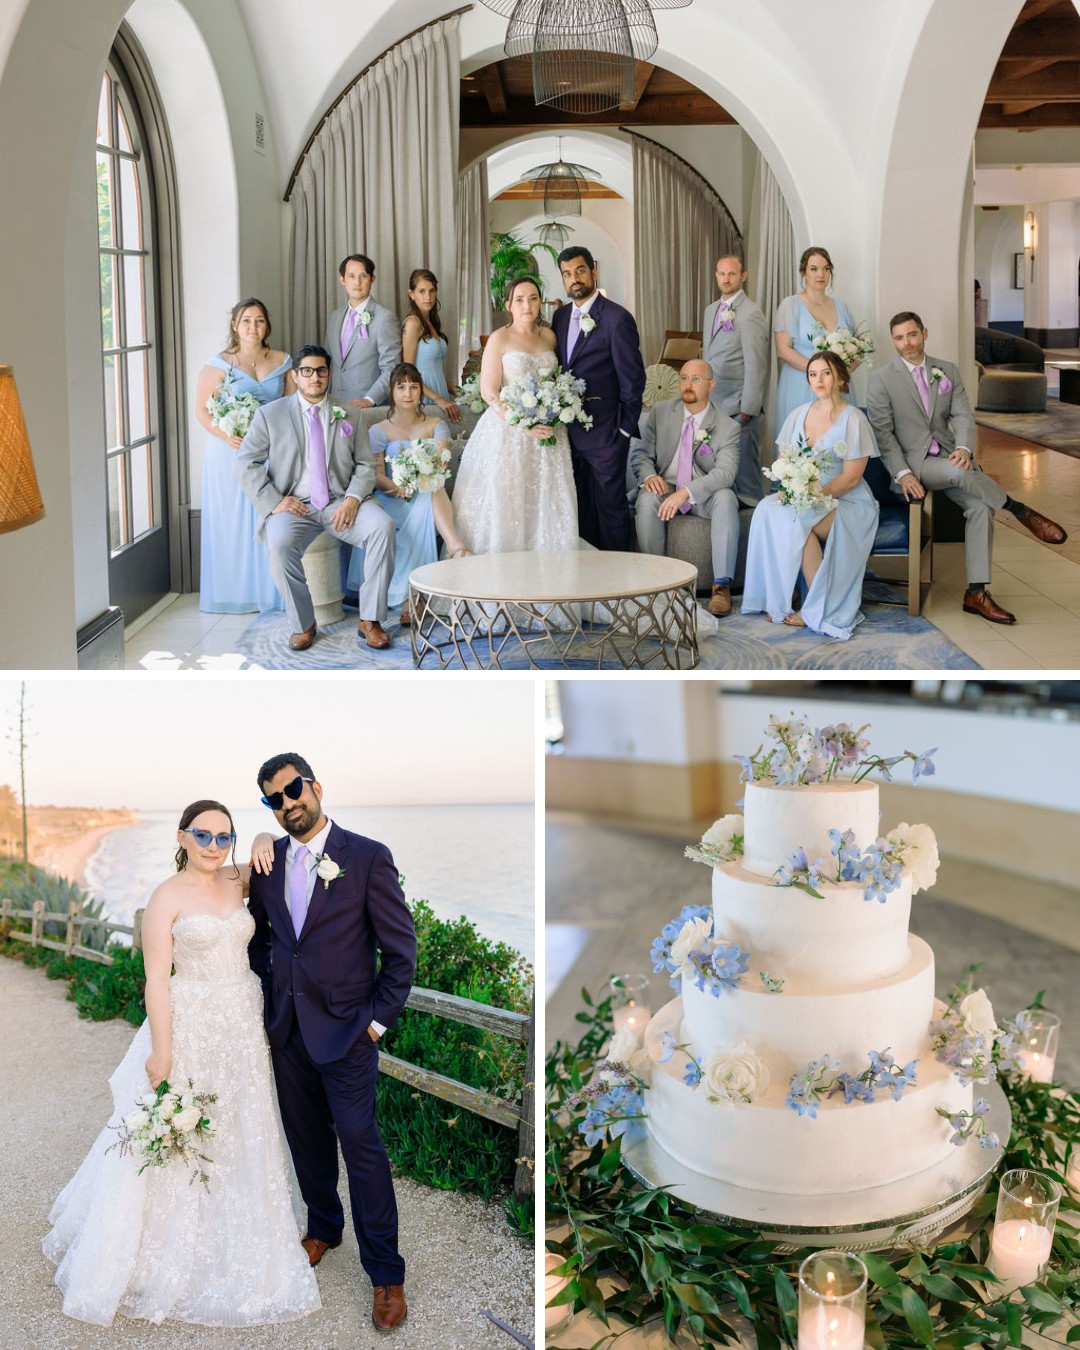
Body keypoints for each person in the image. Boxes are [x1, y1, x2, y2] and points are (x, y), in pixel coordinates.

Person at [43, 803, 319, 1328]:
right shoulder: (165, 897)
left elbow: (279, 848)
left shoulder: (237, 878)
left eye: (224, 836)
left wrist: (262, 834)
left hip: (241, 1022)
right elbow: (156, 981)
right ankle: (165, 1249)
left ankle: (240, 1231)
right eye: (204, 835)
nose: (214, 845)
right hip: (191, 1024)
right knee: (184, 1129)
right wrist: (161, 1052)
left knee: (242, 1126)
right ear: (182, 837)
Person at [247, 754, 417, 1334]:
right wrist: (270, 999)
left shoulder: (367, 857)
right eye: (274, 798)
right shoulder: (267, 865)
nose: (287, 802)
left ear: (316, 787)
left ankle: (386, 1274)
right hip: (288, 1033)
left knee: (363, 1150)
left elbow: (401, 956)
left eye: (293, 789)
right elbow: (260, 942)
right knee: (305, 1140)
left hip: (349, 1035)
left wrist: (374, 1024)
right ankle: (324, 1225)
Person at [867, 311, 1067, 624]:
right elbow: (883, 435)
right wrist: (903, 473)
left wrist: (962, 447)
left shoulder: (946, 370)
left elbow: (962, 416)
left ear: (924, 333)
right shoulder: (881, 380)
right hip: (913, 467)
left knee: (980, 507)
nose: (906, 343)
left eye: (912, 335)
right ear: (894, 341)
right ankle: (1019, 510)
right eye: (899, 338)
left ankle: (976, 592)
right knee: (960, 473)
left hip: (949, 455)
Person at [235, 344, 396, 651]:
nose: (314, 377)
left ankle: (371, 619)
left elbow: (364, 464)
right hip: (294, 505)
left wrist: (352, 499)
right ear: (295, 376)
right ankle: (303, 622)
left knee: (382, 527)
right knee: (279, 541)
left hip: (340, 501)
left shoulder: (350, 414)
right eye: (306, 371)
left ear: (329, 374)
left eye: (321, 370)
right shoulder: (270, 415)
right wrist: (275, 502)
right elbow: (245, 463)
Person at [744, 350, 880, 639]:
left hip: (848, 502)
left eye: (826, 372)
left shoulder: (854, 419)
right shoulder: (797, 415)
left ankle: (815, 607)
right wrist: (794, 490)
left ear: (841, 377)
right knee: (767, 509)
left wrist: (813, 493)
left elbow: (852, 477)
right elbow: (784, 463)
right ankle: (779, 593)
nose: (818, 379)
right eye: (813, 374)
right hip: (806, 497)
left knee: (800, 521)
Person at [452, 275, 578, 554]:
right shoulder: (500, 338)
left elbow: (557, 381)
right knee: (509, 503)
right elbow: (489, 392)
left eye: (533, 298)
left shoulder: (549, 337)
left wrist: (555, 409)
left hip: (549, 434)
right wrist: (522, 425)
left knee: (546, 503)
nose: (527, 305)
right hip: (509, 433)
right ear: (509, 304)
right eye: (519, 299)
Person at [346, 362, 471, 627]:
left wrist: (418, 480)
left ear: (421, 391)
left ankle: (413, 596)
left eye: (414, 386)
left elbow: (440, 464)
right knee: (424, 495)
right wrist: (397, 488)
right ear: (391, 391)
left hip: (425, 492)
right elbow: (377, 475)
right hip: (392, 496)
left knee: (430, 489)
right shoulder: (379, 430)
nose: (408, 393)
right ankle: (455, 549)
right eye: (401, 387)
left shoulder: (437, 425)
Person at [197, 298, 291, 613]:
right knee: (234, 522)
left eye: (260, 320)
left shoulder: (283, 361)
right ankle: (235, 592)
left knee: (266, 517)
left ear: (267, 326)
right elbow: (202, 412)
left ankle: (272, 591)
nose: (253, 326)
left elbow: (293, 408)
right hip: (231, 452)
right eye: (246, 320)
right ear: (235, 326)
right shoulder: (218, 364)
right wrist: (229, 436)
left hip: (270, 450)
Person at [551, 246, 646, 551]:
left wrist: (623, 431)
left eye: (579, 271)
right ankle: (588, 582)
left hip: (607, 433)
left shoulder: (617, 318)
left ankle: (618, 588)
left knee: (611, 510)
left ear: (593, 272)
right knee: (580, 510)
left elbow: (633, 380)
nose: (574, 279)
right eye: (567, 274)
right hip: (569, 434)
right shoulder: (560, 317)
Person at [631, 359, 741, 617]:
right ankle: (654, 583)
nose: (687, 384)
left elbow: (725, 473)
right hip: (665, 487)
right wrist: (648, 477)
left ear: (711, 385)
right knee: (647, 501)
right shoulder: (659, 412)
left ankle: (721, 586)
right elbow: (641, 455)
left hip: (703, 495)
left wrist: (686, 492)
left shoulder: (728, 427)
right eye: (683, 378)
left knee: (726, 497)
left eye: (696, 379)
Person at [702, 254, 770, 505]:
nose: (726, 278)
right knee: (722, 476)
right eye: (721, 273)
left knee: (746, 479)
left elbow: (756, 366)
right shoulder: (711, 310)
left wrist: (748, 411)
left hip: (739, 409)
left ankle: (756, 532)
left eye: (732, 273)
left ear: (743, 276)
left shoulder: (751, 313)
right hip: (714, 407)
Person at [774, 246, 862, 430]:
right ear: (804, 272)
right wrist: (820, 374)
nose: (820, 274)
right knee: (801, 443)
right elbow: (783, 350)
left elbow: (859, 349)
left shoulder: (842, 307)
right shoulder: (791, 305)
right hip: (801, 385)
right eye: (814, 268)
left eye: (826, 268)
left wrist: (840, 373)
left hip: (838, 389)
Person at [326, 253, 401, 410]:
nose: (357, 282)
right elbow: (328, 362)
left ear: (372, 279)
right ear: (342, 280)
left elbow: (392, 367)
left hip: (368, 408)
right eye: (351, 276)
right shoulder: (334, 317)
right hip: (334, 404)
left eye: (363, 276)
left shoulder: (384, 318)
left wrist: (370, 399)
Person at [401, 268, 461, 424]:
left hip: (440, 394)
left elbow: (434, 369)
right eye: (421, 291)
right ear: (411, 294)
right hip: (424, 397)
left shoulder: (431, 322)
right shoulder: (413, 322)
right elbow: (407, 371)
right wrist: (438, 399)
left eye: (431, 291)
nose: (428, 297)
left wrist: (455, 390)